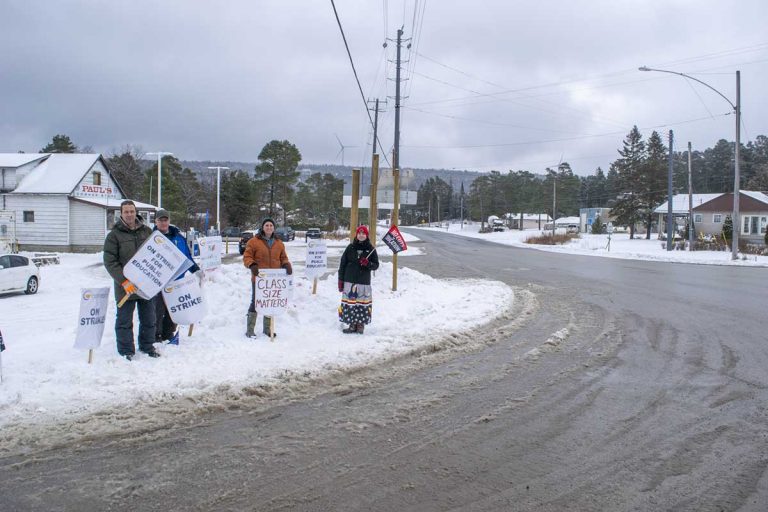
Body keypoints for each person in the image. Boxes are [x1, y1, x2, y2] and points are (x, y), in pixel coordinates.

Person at [103, 200, 159, 360]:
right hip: (125, 287)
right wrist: (123, 281)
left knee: (149, 318)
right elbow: (110, 262)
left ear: (136, 212)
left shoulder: (147, 232)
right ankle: (126, 351)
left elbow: (156, 255)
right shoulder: (114, 235)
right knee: (124, 321)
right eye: (126, 212)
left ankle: (147, 346)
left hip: (145, 285)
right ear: (121, 214)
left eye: (131, 211)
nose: (129, 214)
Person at [152, 209, 201, 345]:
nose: (163, 222)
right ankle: (156, 336)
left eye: (165, 219)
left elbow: (187, 258)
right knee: (157, 310)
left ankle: (169, 334)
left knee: (172, 310)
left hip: (176, 282)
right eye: (160, 220)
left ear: (169, 221)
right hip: (158, 282)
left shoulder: (179, 238)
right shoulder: (151, 237)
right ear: (156, 221)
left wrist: (196, 270)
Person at [242, 218, 292, 337]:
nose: (269, 227)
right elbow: (247, 257)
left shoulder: (279, 243)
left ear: (274, 228)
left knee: (270, 302)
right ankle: (250, 330)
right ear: (263, 227)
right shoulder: (253, 242)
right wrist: (252, 265)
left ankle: (267, 329)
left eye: (271, 225)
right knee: (256, 302)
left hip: (274, 280)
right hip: (259, 279)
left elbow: (283, 257)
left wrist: (286, 264)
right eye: (266, 225)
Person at [338, 225, 379, 334]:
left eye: (363, 233)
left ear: (366, 235)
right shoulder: (350, 247)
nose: (361, 235)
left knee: (361, 303)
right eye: (359, 233)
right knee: (351, 303)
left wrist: (368, 263)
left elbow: (376, 265)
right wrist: (340, 280)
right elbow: (343, 264)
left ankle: (360, 325)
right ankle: (352, 324)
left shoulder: (371, 249)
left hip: (363, 282)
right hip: (349, 281)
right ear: (356, 234)